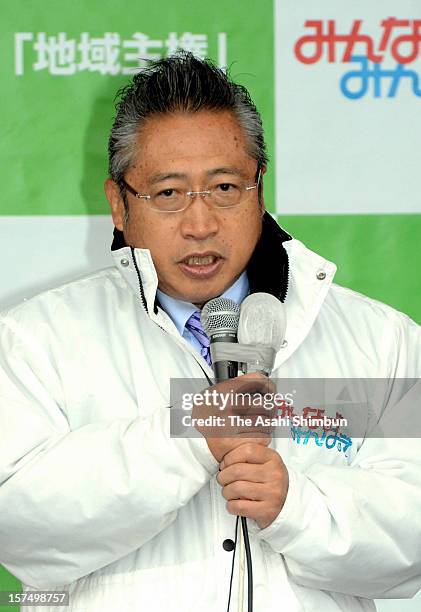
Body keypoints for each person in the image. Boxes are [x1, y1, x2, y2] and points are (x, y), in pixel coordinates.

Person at [0, 52, 420, 612]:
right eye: (169, 194)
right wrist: (189, 434)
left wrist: (298, 508)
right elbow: (16, 525)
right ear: (119, 206)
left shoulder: (380, 339)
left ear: (260, 188)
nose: (200, 225)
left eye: (225, 188)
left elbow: (412, 537)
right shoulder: (37, 339)